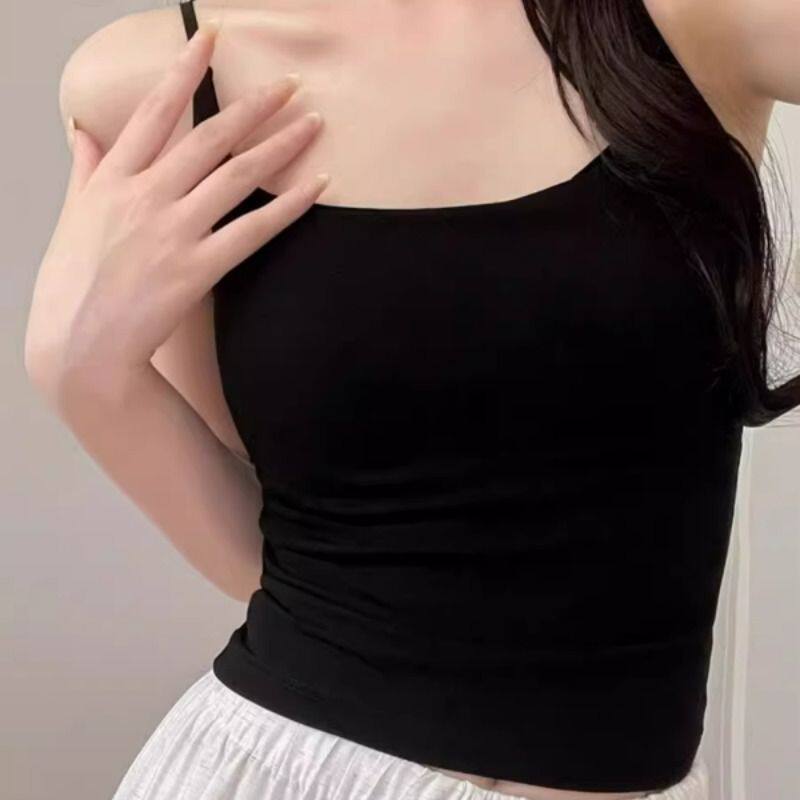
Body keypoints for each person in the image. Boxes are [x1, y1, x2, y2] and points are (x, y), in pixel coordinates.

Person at [24, 1, 800, 799]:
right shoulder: (157, 77)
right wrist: (76, 371)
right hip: (302, 770)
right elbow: (278, 552)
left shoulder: (683, 19)